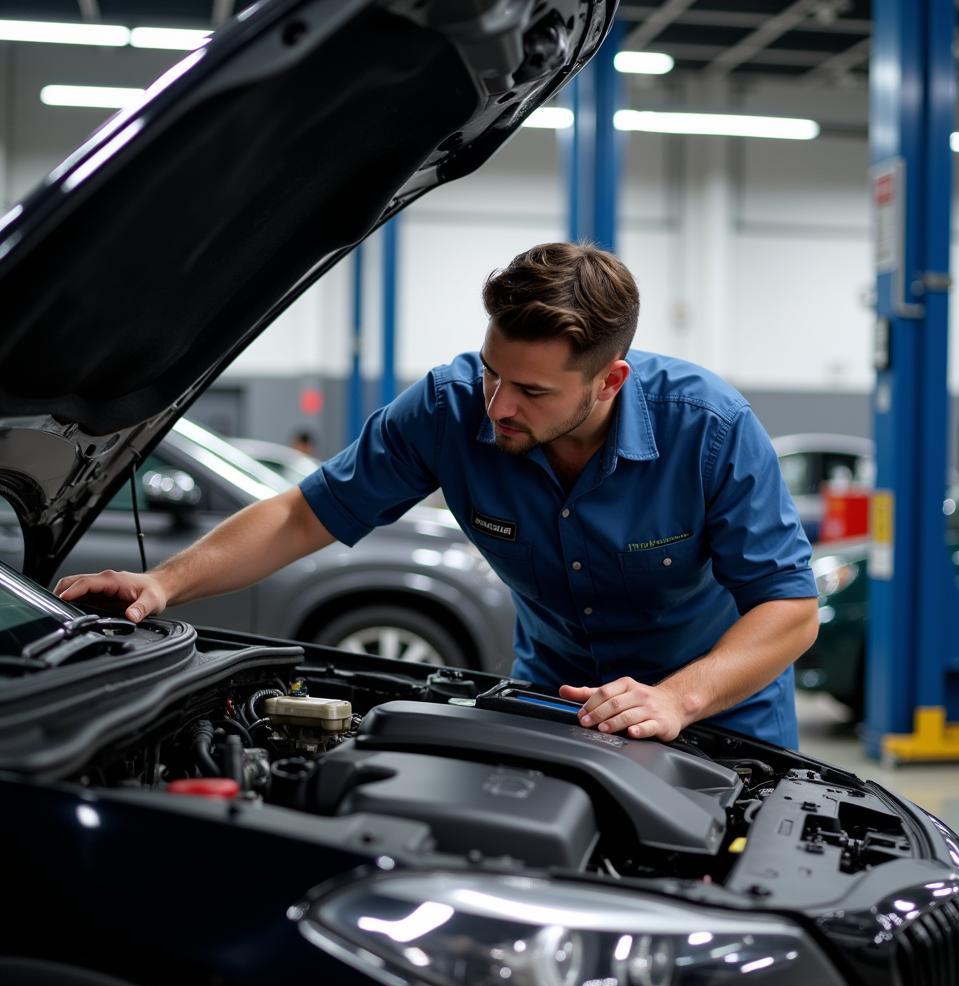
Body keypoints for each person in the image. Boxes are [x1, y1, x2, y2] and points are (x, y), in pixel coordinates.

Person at [55, 242, 818, 748]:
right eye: (492, 372)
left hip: (719, 717)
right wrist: (163, 583)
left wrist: (677, 701)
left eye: (530, 390)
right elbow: (301, 514)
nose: (498, 407)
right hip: (554, 707)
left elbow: (788, 609)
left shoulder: (709, 428)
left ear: (609, 380)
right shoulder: (449, 408)